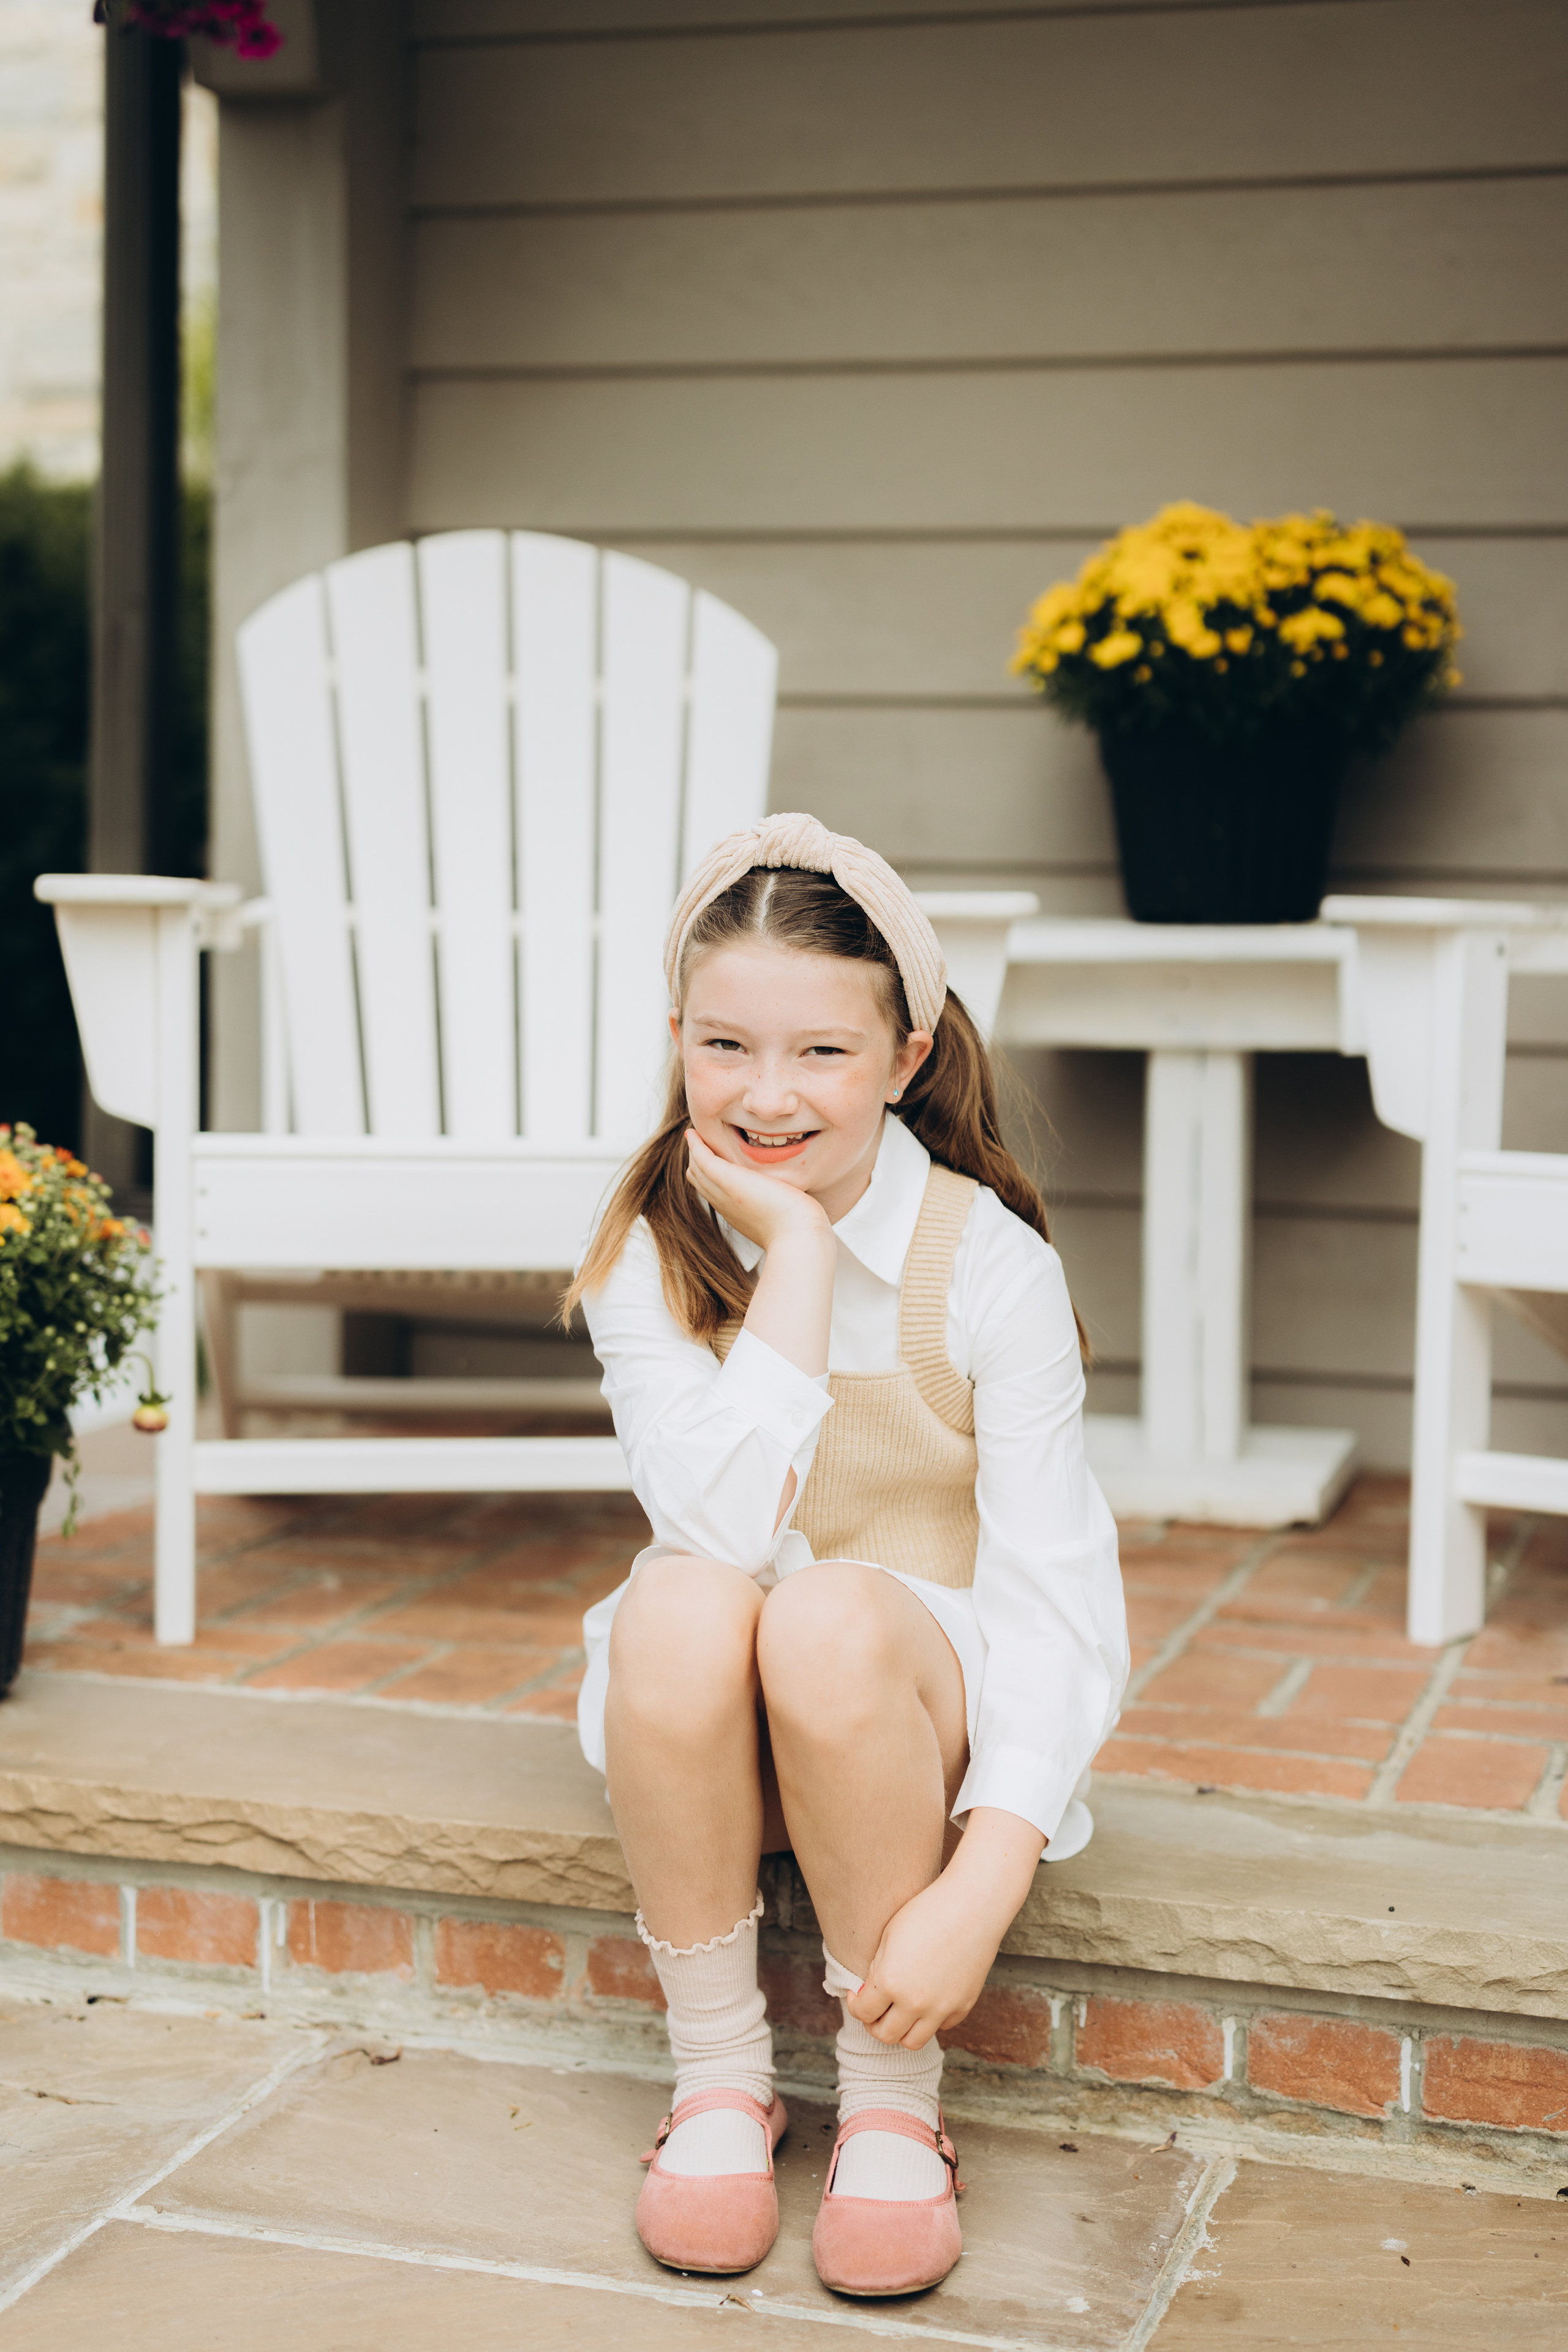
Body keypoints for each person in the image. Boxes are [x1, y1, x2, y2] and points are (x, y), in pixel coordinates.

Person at [565, 812, 1128, 2297]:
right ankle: (719, 2078)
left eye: (819, 1052)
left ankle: (889, 2103)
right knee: (682, 1600)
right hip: (713, 1748)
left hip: (900, 1723)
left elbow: (1059, 1597)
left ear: (906, 1053)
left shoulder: (985, 1264)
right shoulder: (651, 1245)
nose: (764, 1097)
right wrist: (797, 1261)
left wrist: (982, 1878)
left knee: (819, 1615)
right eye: (721, 1045)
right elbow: (716, 1528)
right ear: (675, 1039)